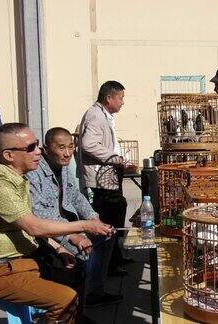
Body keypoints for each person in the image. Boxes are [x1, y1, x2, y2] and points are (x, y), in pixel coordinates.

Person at [0, 122, 113, 323]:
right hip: (1, 269)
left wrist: (58, 248)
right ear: (8, 155)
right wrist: (82, 227)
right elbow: (34, 225)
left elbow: (73, 197)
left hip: (24, 259)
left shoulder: (18, 178)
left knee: (74, 265)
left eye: (37, 145)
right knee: (64, 298)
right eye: (30, 148)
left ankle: (75, 315)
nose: (38, 152)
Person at [27, 127, 119, 316]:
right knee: (79, 253)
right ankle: (72, 308)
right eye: (61, 148)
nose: (68, 153)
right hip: (47, 234)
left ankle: (93, 292)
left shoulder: (64, 168)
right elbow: (40, 215)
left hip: (68, 224)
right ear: (46, 149)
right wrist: (74, 236)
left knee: (106, 235)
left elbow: (76, 197)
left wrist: (95, 218)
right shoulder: (33, 172)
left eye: (71, 147)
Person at [77, 80, 131, 306]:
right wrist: (113, 157)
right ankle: (98, 282)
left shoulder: (103, 115)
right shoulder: (95, 116)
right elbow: (89, 144)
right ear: (109, 98)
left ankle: (113, 261)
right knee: (107, 224)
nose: (122, 102)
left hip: (107, 177)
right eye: (120, 98)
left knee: (117, 214)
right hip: (101, 180)